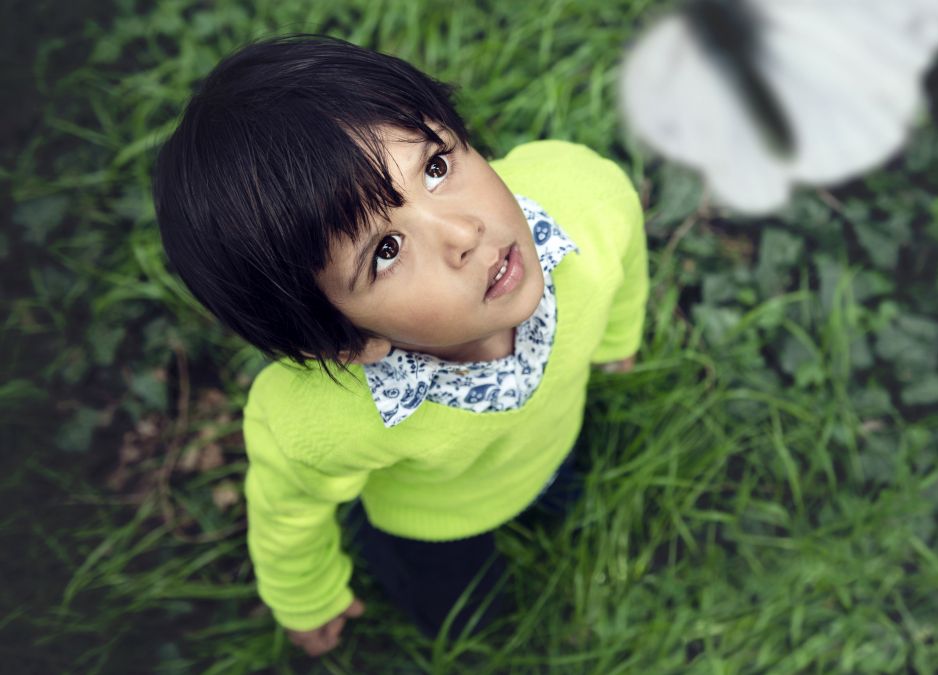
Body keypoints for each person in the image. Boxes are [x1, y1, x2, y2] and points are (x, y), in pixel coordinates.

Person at [152, 34, 648, 656]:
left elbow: (625, 247)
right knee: (464, 617)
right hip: (433, 526)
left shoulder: (585, 199)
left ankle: (551, 496)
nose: (463, 232)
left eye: (436, 167)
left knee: (564, 494)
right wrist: (307, 596)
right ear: (345, 341)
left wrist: (616, 337)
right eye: (385, 251)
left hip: (551, 439)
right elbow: (289, 508)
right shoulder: (321, 420)